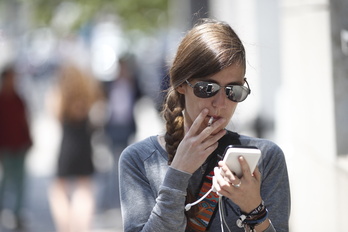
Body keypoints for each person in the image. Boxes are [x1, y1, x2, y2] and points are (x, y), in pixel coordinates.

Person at [119, 18, 290, 232]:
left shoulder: (265, 157)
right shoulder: (140, 160)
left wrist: (254, 210)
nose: (220, 103)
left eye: (233, 91)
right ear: (181, 84)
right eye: (207, 88)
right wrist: (178, 173)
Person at [47, 63, 104, 232]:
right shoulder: (88, 94)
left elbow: (53, 114)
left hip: (67, 145)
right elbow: (98, 116)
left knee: (58, 189)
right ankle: (82, 227)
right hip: (85, 145)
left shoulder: (60, 94)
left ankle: (65, 227)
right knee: (84, 189)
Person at [0, 64, 32, 229]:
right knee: (5, 181)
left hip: (19, 145)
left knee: (20, 181)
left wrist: (29, 139)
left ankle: (17, 214)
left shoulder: (18, 99)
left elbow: (25, 120)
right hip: (5, 147)